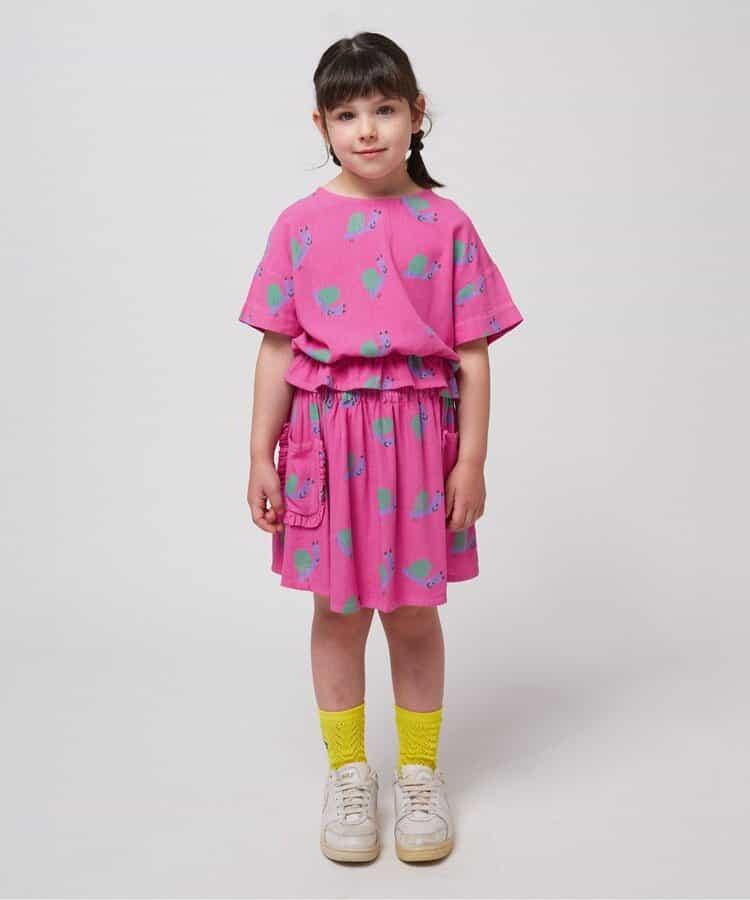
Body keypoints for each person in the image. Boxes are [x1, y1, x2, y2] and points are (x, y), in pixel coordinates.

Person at [239, 32, 523, 864]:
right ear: (321, 125)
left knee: (411, 611)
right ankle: (349, 773)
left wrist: (470, 460)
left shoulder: (448, 224)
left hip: (417, 446)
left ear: (416, 113)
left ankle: (421, 773)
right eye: (347, 114)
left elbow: (473, 354)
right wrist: (259, 454)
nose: (367, 129)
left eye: (385, 108)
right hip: (326, 442)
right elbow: (277, 347)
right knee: (336, 610)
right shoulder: (298, 225)